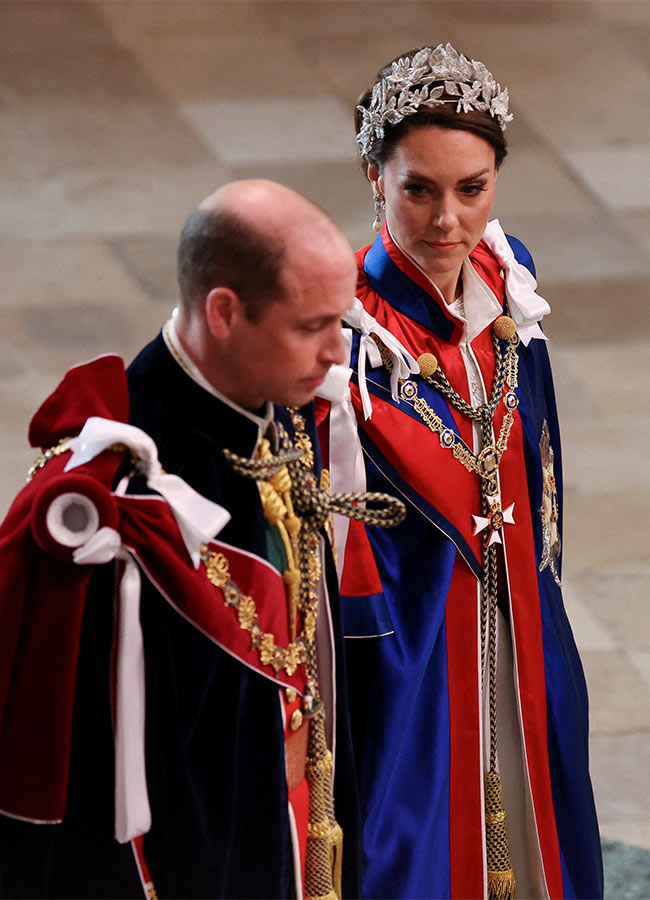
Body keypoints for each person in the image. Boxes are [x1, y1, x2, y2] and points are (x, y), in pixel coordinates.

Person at [0, 180, 403, 899]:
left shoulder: (270, 404)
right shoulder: (123, 519)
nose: (336, 353)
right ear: (224, 312)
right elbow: (103, 799)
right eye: (310, 326)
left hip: (285, 826)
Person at [315, 45, 603, 899]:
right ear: (375, 176)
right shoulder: (347, 341)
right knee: (417, 842)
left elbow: (536, 461)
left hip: (521, 620)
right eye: (420, 189)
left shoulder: (510, 287)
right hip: (415, 651)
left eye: (471, 189)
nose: (449, 219)